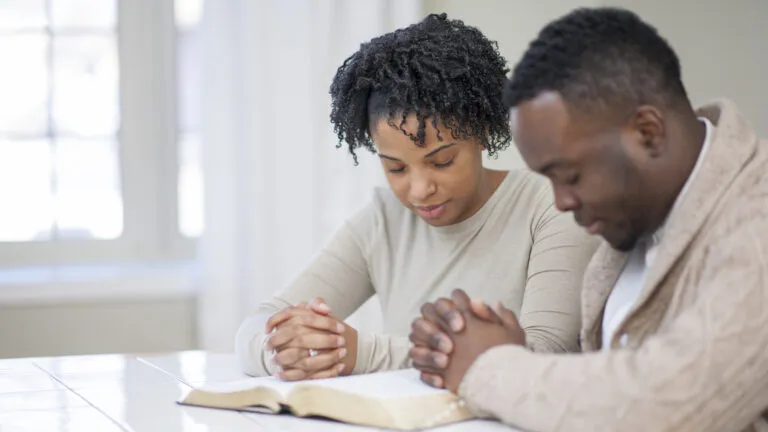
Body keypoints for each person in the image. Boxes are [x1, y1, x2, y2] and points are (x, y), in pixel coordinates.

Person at [409, 6, 768, 431]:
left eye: (571, 176)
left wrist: (491, 367)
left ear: (648, 133)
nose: (560, 202)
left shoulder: (756, 223)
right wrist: (511, 354)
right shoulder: (638, 220)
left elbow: (669, 407)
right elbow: (616, 376)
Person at [234, 13, 598, 382]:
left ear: (483, 132)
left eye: (442, 161)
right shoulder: (383, 222)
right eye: (396, 169)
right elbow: (256, 326)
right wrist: (284, 351)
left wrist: (363, 353)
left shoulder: (551, 208)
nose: (420, 190)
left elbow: (544, 354)